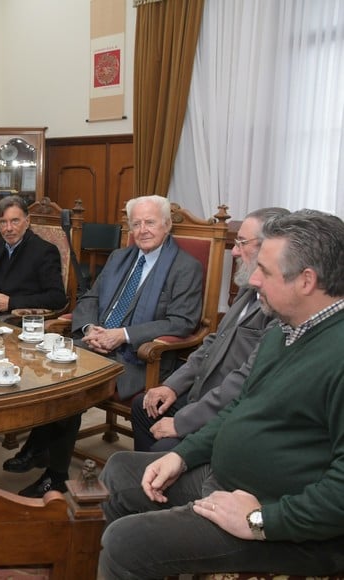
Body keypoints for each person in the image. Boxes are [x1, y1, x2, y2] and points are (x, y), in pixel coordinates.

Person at [99, 209, 344, 579]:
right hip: (225, 479)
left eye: (265, 270)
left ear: (307, 280)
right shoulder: (286, 328)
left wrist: (261, 520)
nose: (254, 279)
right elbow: (243, 406)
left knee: (126, 542)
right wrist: (182, 456)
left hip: (288, 523)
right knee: (119, 471)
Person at [3, 195, 203, 498]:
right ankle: (40, 447)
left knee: (71, 385)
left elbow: (182, 322)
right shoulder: (120, 257)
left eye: (150, 222)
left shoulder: (185, 267)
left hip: (139, 358)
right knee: (45, 365)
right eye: (136, 224)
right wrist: (89, 328)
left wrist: (122, 334)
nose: (143, 229)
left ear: (167, 224)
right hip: (96, 342)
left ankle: (54, 475)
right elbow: (91, 299)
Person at [131, 207, 288, 452]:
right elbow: (213, 341)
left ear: (269, 247)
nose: (234, 250)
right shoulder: (248, 290)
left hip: (227, 412)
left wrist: (182, 422)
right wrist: (171, 385)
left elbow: (244, 381)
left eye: (241, 243)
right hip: (201, 393)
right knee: (143, 407)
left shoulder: (280, 307)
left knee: (163, 450)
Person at [0, 195, 67, 315]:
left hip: (20, 320)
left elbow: (57, 298)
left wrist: (11, 302)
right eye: (3, 222)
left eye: (15, 221)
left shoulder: (44, 251)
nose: (8, 228)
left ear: (27, 221)